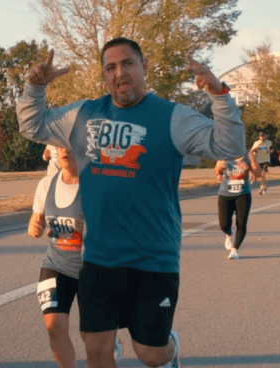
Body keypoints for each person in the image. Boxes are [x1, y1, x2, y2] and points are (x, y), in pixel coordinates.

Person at [17, 37, 245, 368]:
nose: (120, 74)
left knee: (149, 353)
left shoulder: (172, 117)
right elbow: (32, 125)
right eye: (111, 67)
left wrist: (219, 95)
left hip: (153, 259)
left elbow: (229, 146)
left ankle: (170, 350)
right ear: (104, 76)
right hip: (98, 258)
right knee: (96, 349)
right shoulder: (84, 114)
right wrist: (34, 88)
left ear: (144, 68)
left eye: (128, 64)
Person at [28, 146, 124, 367]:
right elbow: (37, 221)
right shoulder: (46, 184)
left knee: (90, 338)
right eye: (60, 146)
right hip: (56, 264)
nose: (65, 151)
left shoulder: (97, 185)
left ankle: (108, 339)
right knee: (54, 327)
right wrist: (35, 226)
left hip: (92, 268)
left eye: (72, 145)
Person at [215, 151, 261, 259]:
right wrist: (220, 168)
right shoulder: (224, 153)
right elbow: (217, 171)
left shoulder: (248, 154)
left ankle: (235, 249)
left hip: (243, 194)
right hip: (225, 194)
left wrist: (249, 168)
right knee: (223, 224)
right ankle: (229, 233)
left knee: (241, 223)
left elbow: (258, 173)